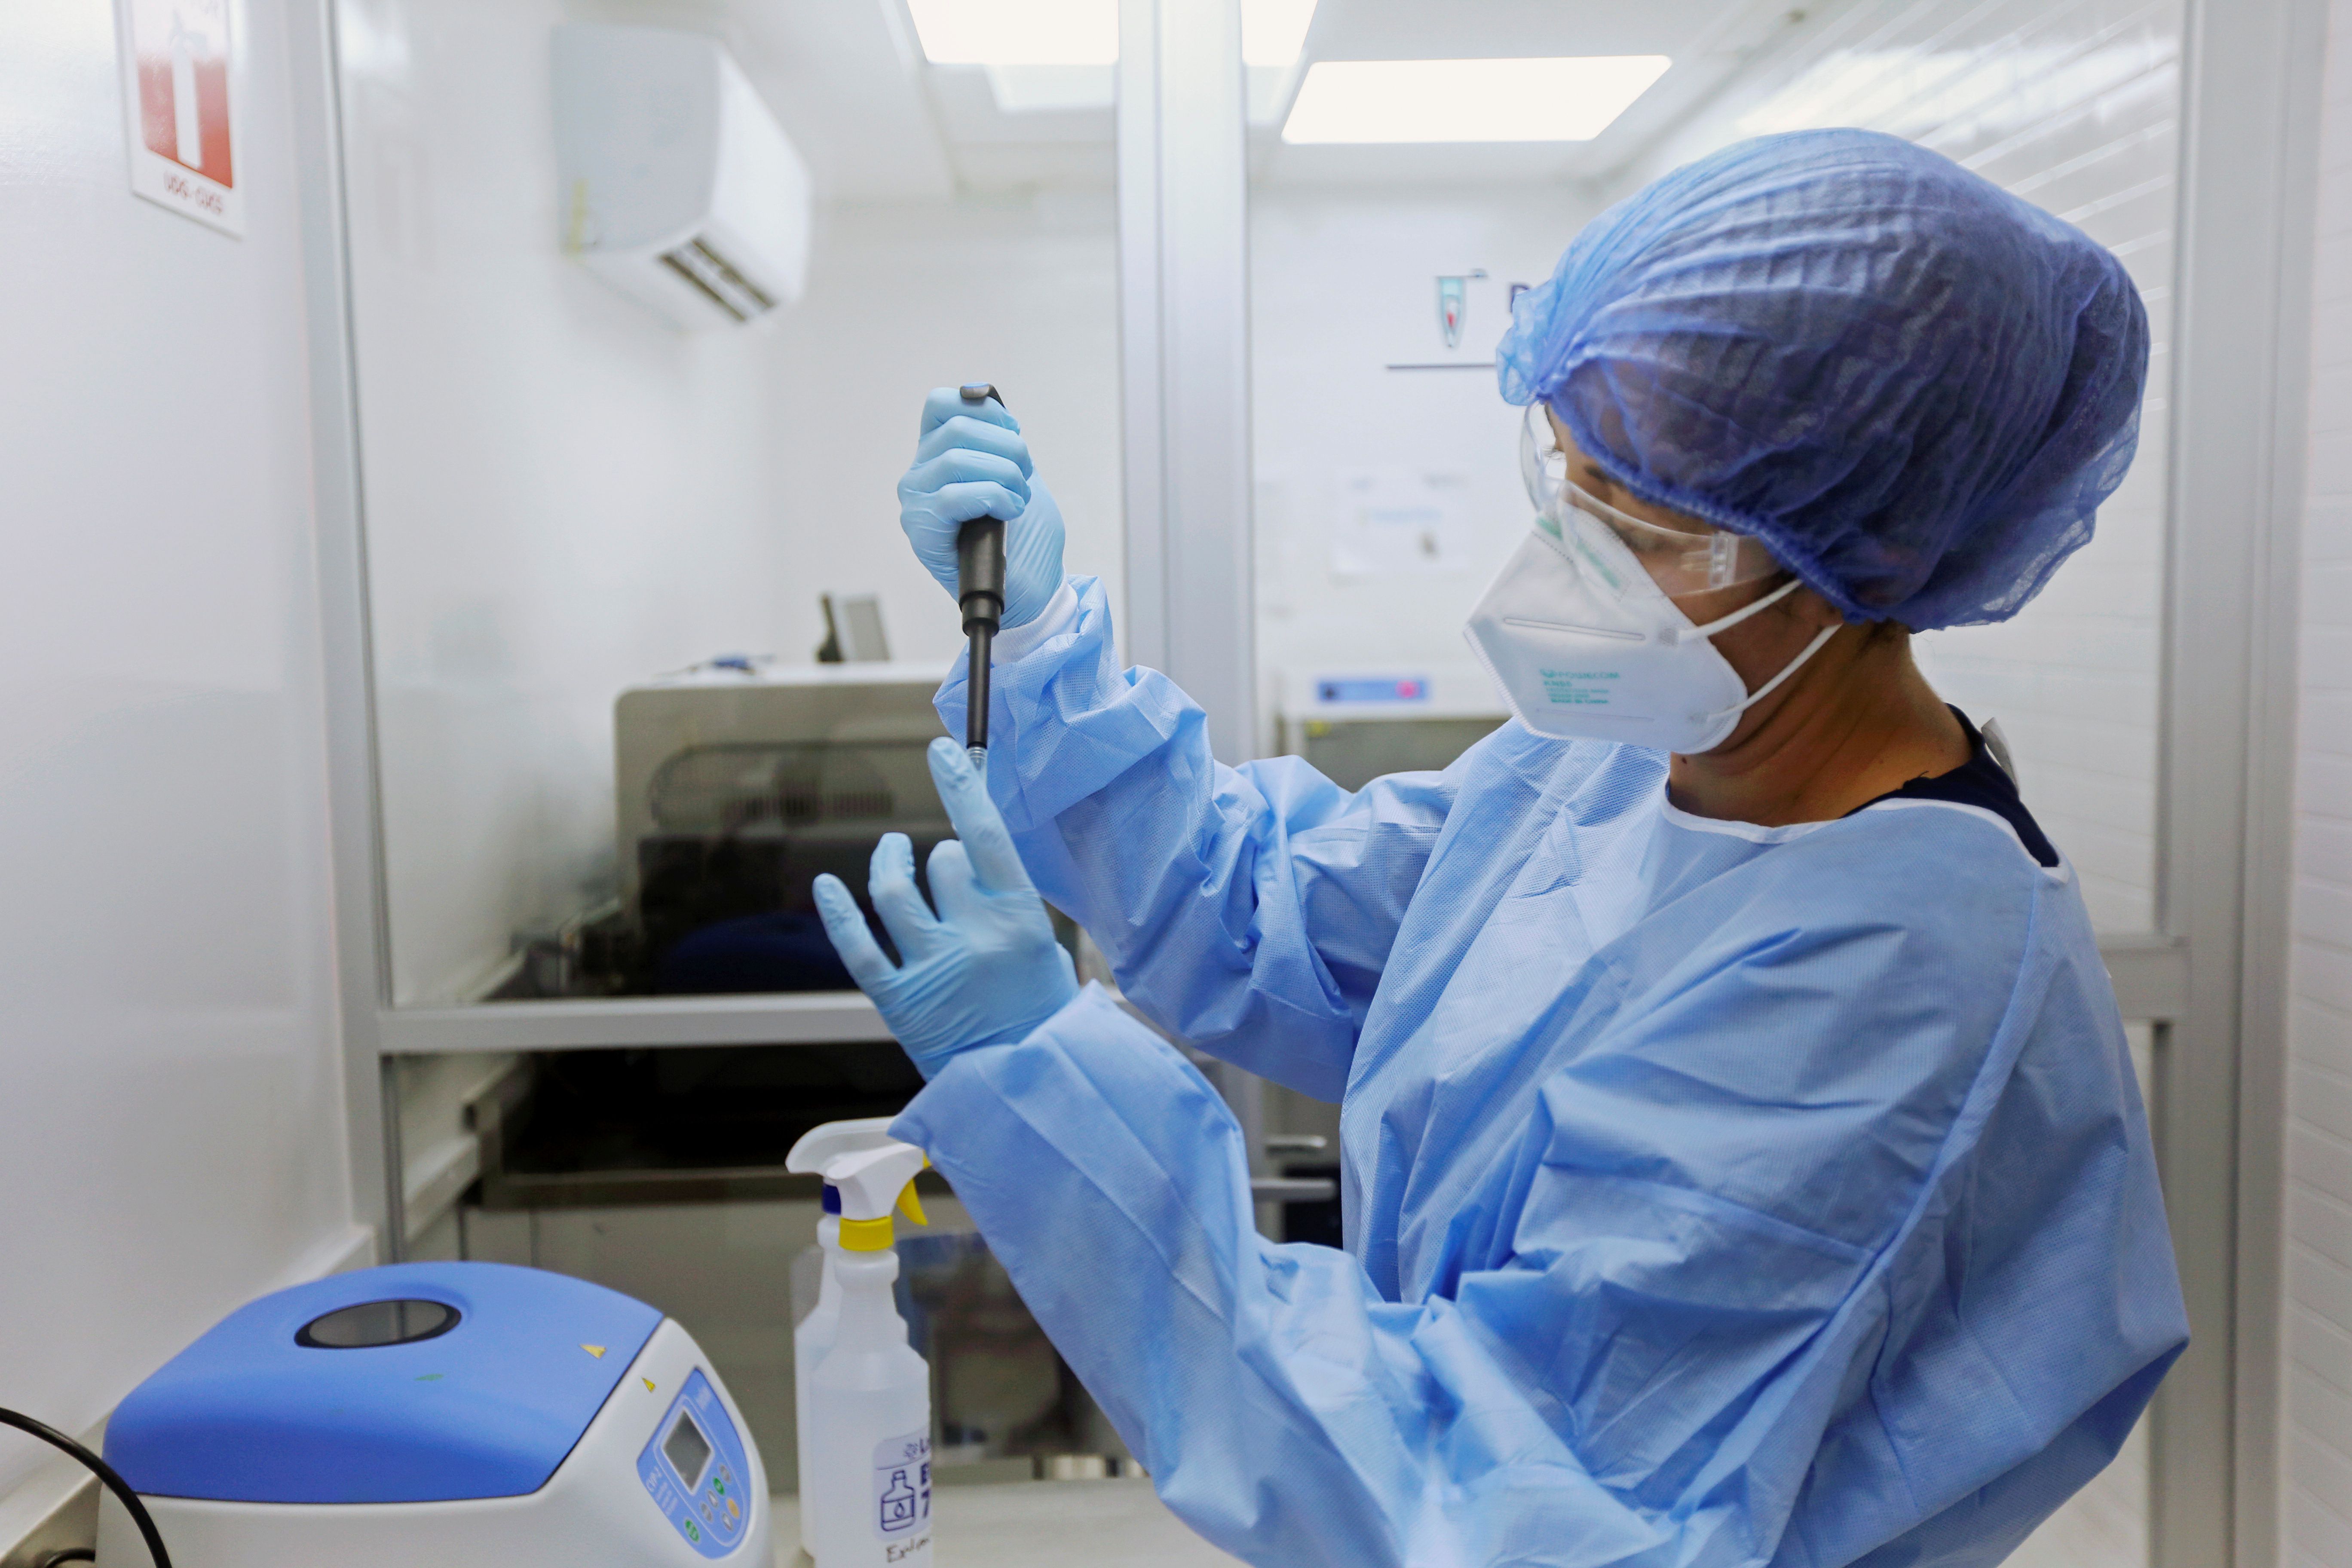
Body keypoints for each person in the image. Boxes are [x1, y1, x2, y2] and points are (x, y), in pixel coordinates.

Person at [812, 128, 2187, 1568]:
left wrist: (1047, 1082)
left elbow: (1486, 1486)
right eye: (1571, 485)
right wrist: (1037, 649)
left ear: (1874, 557)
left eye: (1647, 531)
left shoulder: (1897, 973)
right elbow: (1279, 914)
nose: (1569, 566)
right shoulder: (1611, 764)